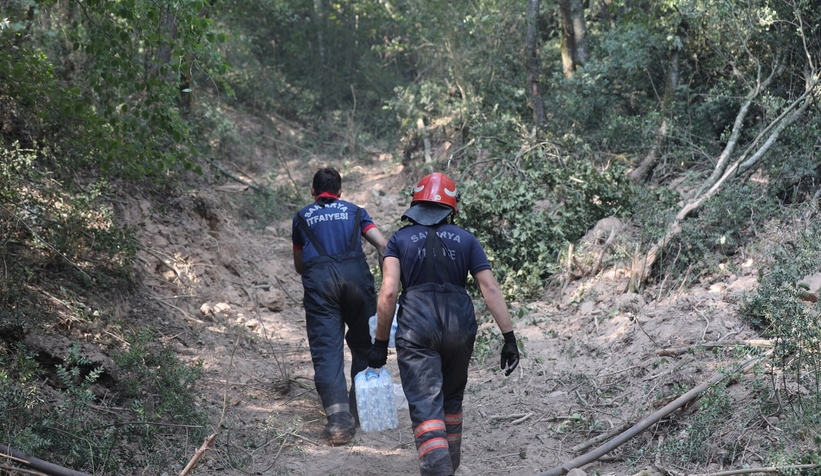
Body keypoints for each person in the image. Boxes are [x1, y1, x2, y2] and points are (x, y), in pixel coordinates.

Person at [368, 172, 520, 476]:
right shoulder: (467, 240)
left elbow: (388, 292)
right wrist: (509, 337)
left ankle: (439, 470)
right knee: (451, 398)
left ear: (415, 204)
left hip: (416, 327)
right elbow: (489, 288)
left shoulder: (398, 240)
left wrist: (380, 344)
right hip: (460, 325)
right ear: (453, 208)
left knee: (426, 404)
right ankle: (449, 464)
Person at [292, 167, 387, 446]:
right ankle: (359, 411)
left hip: (321, 287)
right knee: (364, 345)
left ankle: (339, 423)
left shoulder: (302, 217)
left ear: (313, 191)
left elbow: (299, 265)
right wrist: (386, 284)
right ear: (341, 192)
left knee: (327, 351)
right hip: (358, 282)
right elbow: (383, 244)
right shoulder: (357, 212)